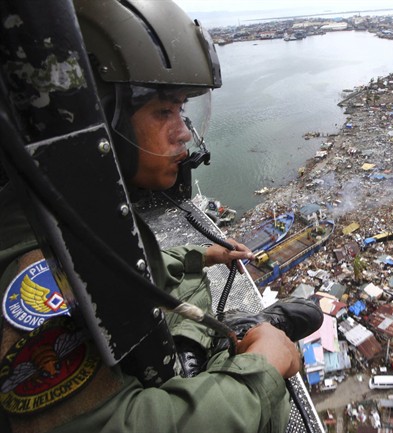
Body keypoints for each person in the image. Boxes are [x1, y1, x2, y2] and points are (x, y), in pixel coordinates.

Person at [0, 0, 322, 432]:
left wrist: (198, 254)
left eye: (182, 111)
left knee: (190, 282)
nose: (185, 131)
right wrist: (261, 370)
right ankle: (249, 338)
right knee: (272, 402)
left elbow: (124, 280)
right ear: (102, 122)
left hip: (157, 343)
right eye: (164, 111)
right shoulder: (34, 268)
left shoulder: (69, 217)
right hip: (159, 379)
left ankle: (242, 331)